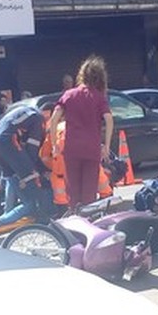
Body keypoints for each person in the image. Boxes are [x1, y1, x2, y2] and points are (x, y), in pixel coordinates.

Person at [50, 55, 114, 208]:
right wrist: (106, 145)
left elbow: (53, 119)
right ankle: (88, 224)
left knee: (73, 194)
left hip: (72, 150)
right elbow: (109, 119)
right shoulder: (99, 97)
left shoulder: (69, 95)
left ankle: (75, 223)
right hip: (91, 150)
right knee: (88, 196)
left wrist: (54, 145)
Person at [0, 105, 48, 228]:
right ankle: (41, 216)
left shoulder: (26, 112)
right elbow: (32, 148)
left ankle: (4, 214)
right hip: (8, 139)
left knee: (9, 175)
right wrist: (33, 170)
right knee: (31, 191)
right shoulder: (38, 119)